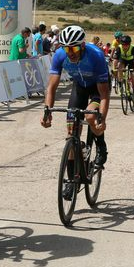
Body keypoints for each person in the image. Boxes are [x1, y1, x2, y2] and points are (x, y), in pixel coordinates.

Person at [41, 25, 111, 199]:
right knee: (72, 133)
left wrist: (101, 118)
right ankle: (72, 181)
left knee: (89, 115)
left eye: (73, 48)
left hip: (97, 88)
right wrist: (47, 111)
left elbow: (104, 95)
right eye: (66, 48)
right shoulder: (60, 55)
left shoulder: (96, 56)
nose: (70, 52)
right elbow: (51, 87)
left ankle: (100, 144)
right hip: (79, 86)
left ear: (82, 45)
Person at [112, 34, 134, 102]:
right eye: (123, 44)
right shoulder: (119, 48)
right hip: (123, 60)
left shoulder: (133, 48)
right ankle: (121, 86)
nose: (124, 46)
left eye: (126, 45)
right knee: (119, 67)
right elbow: (115, 60)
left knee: (133, 77)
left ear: (129, 44)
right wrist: (114, 69)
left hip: (132, 61)